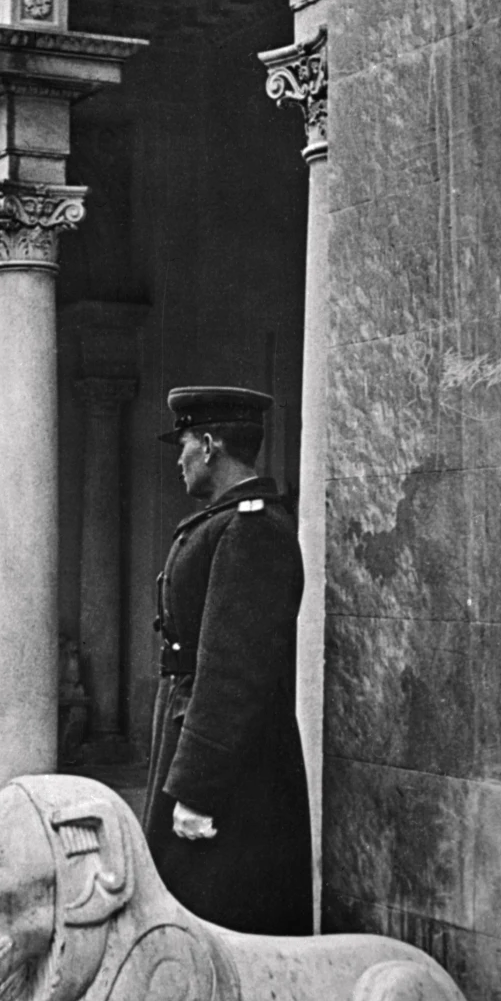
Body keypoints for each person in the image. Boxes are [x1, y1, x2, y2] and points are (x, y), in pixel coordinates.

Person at [141, 387, 311, 935]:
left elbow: (231, 673)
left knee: (219, 913)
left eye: (184, 443)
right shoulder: (227, 522)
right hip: (198, 737)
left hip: (232, 766)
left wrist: (197, 787)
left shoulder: (250, 527)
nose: (179, 458)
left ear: (210, 445)